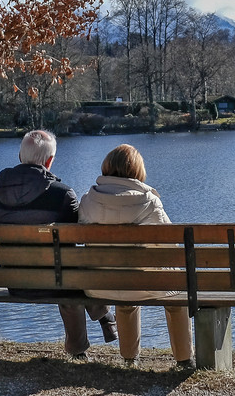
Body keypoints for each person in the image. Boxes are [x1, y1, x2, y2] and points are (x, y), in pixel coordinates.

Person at [0, 129, 117, 359]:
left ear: (20, 157)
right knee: (71, 267)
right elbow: (78, 238)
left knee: (66, 266)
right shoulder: (62, 194)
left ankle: (101, 325)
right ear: (50, 161)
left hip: (15, 281)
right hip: (58, 281)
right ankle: (102, 322)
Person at [77, 144, 193, 369]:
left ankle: (130, 359)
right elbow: (171, 245)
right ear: (137, 171)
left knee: (124, 284)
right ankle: (184, 359)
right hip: (142, 284)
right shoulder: (149, 201)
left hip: (98, 285)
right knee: (175, 292)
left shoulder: (88, 200)